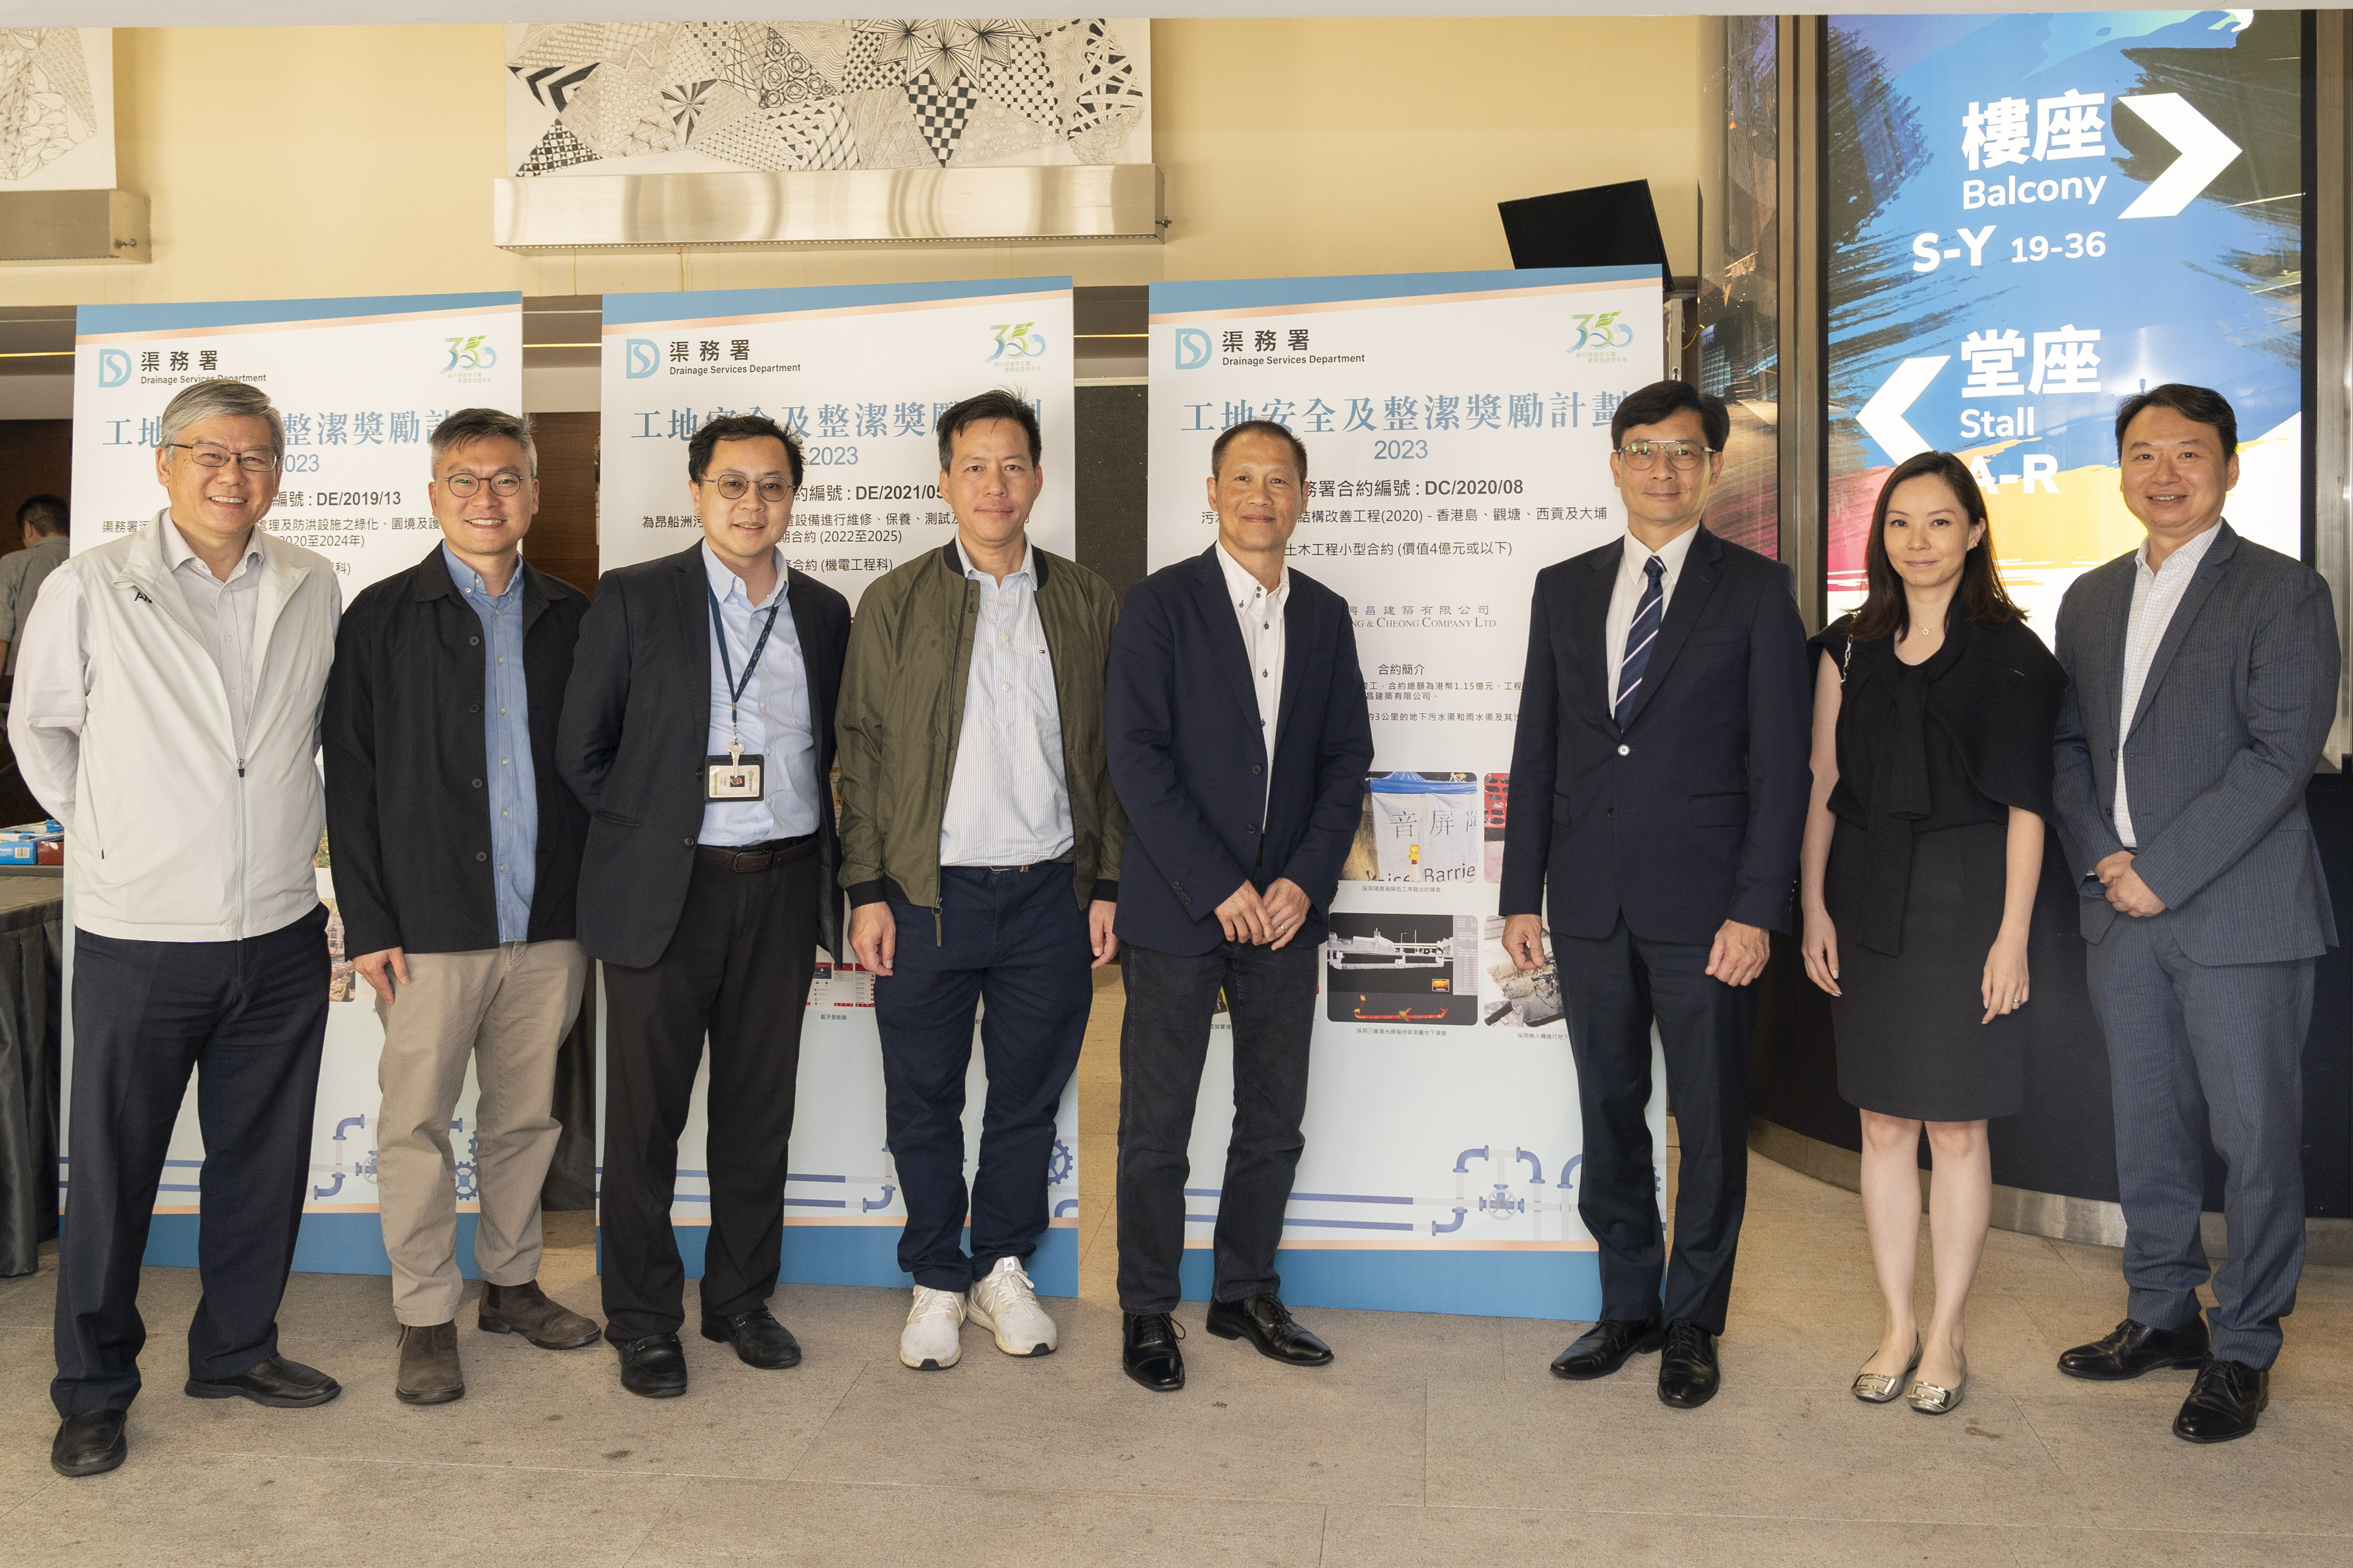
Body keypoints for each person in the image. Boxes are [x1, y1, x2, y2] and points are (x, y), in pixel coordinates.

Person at [15, 380, 344, 1478]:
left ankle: (238, 1348)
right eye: (209, 453)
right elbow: (42, 730)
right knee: (113, 1170)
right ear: (164, 463)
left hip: (278, 925)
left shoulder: (311, 581)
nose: (231, 475)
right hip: (139, 932)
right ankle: (95, 1389)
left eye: (254, 456)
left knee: (263, 1160)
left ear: (278, 473)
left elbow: (310, 741)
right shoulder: (93, 583)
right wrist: (118, 837)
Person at [1500, 379, 1809, 1409]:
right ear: (1613, 461)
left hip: (1708, 912)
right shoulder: (1562, 585)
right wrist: (1518, 890)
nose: (1661, 468)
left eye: (1682, 451)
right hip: (1587, 903)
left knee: (1711, 1122)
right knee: (1609, 1108)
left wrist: (1755, 908)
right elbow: (1537, 746)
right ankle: (1625, 1304)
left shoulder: (1756, 591)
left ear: (1712, 466)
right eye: (1641, 448)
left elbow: (1781, 768)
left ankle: (1691, 1322)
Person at [2049, 383, 2339, 1444]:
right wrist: (2099, 856)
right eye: (2139, 453)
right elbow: (2065, 749)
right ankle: (2160, 1310)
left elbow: (2277, 759)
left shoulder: (2280, 591)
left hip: (2237, 914)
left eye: (2185, 452)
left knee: (2254, 1135)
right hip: (2115, 909)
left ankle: (2245, 1342)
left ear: (2227, 465)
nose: (2160, 473)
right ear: (2116, 471)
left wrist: (2157, 870)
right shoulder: (2083, 599)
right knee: (2147, 1125)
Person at [556, 412, 850, 1398]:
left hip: (778, 887)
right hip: (664, 899)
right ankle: (641, 1319)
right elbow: (582, 750)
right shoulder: (638, 598)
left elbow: (834, 757)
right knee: (645, 1124)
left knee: (757, 1113)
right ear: (696, 492)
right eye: (732, 485)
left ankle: (737, 1302)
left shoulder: (822, 611)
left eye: (771, 487)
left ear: (791, 499)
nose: (751, 504)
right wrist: (654, 835)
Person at [835, 390, 1124, 1371]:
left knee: (1024, 1098)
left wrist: (1108, 882)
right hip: (926, 895)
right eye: (974, 466)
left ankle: (1002, 1266)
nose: (993, 485)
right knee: (922, 1098)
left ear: (1038, 479)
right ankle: (934, 1276)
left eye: (1012, 466)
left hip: (1047, 889)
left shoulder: (1086, 600)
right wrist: (865, 885)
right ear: (945, 480)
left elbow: (1114, 758)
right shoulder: (896, 600)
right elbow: (860, 752)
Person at [322, 409, 599, 1406]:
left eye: (506, 479)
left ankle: (513, 1286)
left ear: (534, 492)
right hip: (427, 927)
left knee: (526, 1122)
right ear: (433, 494)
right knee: (418, 1125)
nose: (486, 498)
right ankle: (426, 1314)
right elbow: (346, 781)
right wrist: (371, 922)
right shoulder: (381, 618)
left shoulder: (575, 615)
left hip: (552, 920)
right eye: (463, 480)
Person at [1105, 418, 1372, 1393]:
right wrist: (1219, 886)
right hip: (1181, 910)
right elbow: (1133, 758)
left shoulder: (1328, 614)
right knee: (1156, 1126)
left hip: (1287, 914)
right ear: (1210, 494)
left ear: (1302, 496)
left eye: (1279, 480)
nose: (1260, 496)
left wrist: (1302, 879)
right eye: (1242, 479)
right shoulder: (1158, 606)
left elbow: (1346, 760)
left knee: (1272, 1117)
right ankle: (1146, 1309)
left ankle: (1243, 1291)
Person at [1796, 452, 2065, 1416]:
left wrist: (2011, 938)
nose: (1917, 542)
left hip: (1966, 896)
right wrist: (1812, 903)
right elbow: (1823, 785)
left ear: (1975, 533)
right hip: (1866, 895)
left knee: (1954, 1126)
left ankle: (1946, 1329)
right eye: (1899, 523)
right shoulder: (1846, 648)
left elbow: (2027, 807)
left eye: (1939, 522)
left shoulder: (2010, 653)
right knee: (1878, 1121)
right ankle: (1895, 1326)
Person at [0, 493, 71, 691]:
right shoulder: (91, 558)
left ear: (28, 527)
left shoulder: (12, 564)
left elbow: (1, 636)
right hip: (84, 680)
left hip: (29, 679)